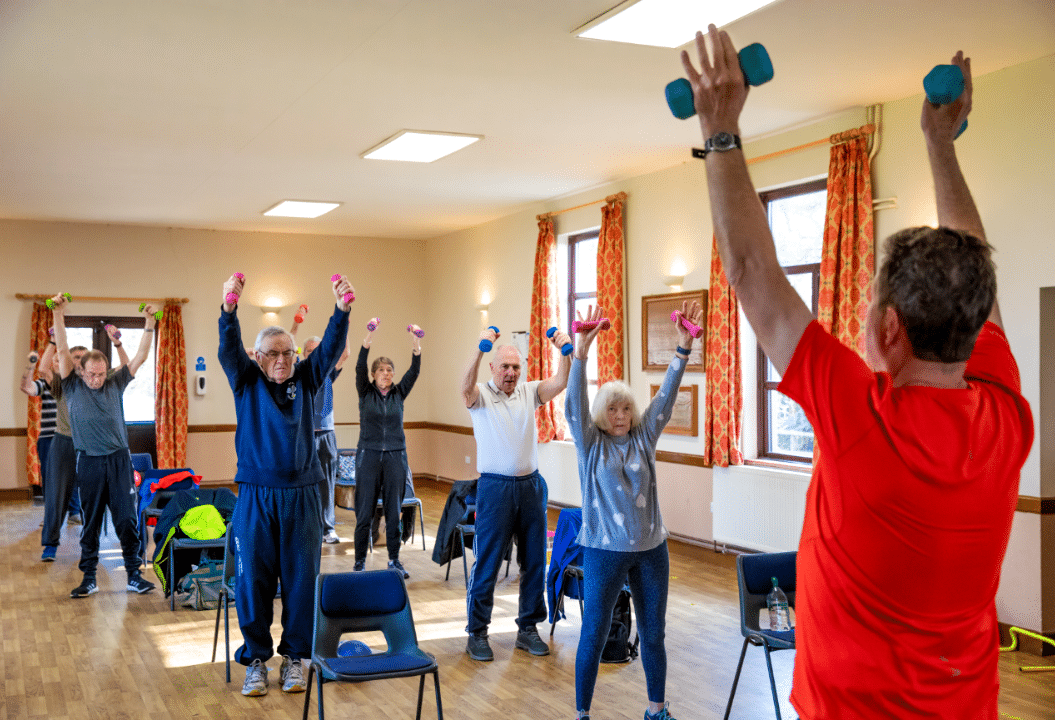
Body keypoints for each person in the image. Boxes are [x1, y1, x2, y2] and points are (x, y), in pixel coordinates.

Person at [681, 27, 1032, 718]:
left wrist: (719, 133)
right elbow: (972, 269)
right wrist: (940, 144)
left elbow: (752, 275)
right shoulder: (1003, 414)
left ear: (887, 329)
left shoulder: (858, 415)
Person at [218, 272, 352, 698]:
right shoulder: (246, 380)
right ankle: (256, 660)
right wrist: (228, 309)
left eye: (288, 353)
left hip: (302, 495)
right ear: (258, 357)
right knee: (252, 581)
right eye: (273, 353)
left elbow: (330, 348)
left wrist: (342, 310)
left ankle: (295, 658)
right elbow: (227, 347)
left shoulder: (307, 380)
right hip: (256, 495)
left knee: (300, 580)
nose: (281, 359)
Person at [565, 303, 700, 720]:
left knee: (654, 634)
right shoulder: (590, 444)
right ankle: (583, 713)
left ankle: (656, 710)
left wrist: (682, 349)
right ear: (601, 415)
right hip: (604, 550)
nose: (620, 416)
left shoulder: (644, 436)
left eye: (625, 408)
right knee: (594, 633)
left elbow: (665, 397)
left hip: (651, 550)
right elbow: (573, 403)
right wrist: (581, 354)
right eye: (612, 409)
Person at [460, 325, 572, 661]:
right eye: (505, 367)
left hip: (530, 486)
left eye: (516, 367)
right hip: (495, 489)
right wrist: (480, 350)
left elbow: (561, 382)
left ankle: (527, 629)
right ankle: (477, 633)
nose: (511, 373)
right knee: (489, 563)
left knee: (534, 561)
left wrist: (564, 353)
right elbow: (464, 386)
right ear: (493, 369)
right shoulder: (480, 394)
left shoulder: (529, 391)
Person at [50, 297, 158, 598]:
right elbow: (61, 349)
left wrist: (149, 323)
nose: (96, 379)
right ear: (81, 371)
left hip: (119, 461)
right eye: (91, 374)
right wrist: (58, 313)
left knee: (126, 519)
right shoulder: (71, 385)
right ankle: (89, 578)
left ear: (106, 370)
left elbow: (140, 357)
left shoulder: (114, 383)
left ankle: (134, 575)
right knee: (92, 522)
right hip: (89, 462)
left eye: (101, 373)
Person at [352, 321, 421, 577]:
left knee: (394, 513)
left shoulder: (399, 394)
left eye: (390, 370)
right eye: (381, 370)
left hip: (395, 457)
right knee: (364, 514)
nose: (386, 373)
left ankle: (394, 560)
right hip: (368, 456)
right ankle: (359, 561)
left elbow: (414, 371)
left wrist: (416, 343)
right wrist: (368, 336)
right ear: (373, 375)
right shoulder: (365, 391)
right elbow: (359, 365)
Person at [301, 334, 349, 545]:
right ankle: (304, 528)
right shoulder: (298, 372)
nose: (313, 353)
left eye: (317, 350)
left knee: (327, 482)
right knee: (302, 481)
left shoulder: (328, 371)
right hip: (303, 434)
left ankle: (328, 529)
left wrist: (345, 322)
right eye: (309, 350)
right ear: (303, 354)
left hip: (326, 433)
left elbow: (345, 354)